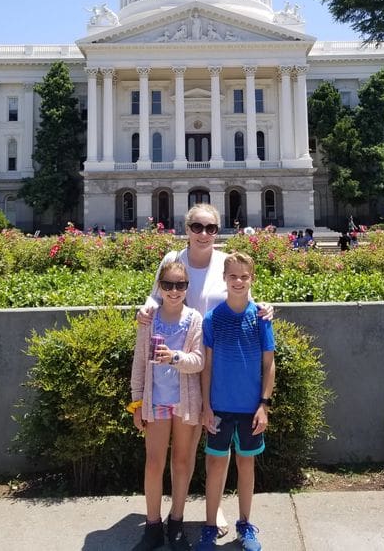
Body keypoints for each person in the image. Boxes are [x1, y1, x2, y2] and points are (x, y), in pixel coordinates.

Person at [138, 203, 274, 539]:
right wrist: (146, 307)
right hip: (177, 365)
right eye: (197, 227)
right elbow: (157, 296)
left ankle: (213, 509)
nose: (203, 234)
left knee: (211, 443)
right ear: (186, 229)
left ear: (218, 230)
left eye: (210, 228)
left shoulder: (225, 263)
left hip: (213, 363)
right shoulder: (173, 259)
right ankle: (178, 517)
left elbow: (244, 297)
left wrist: (265, 308)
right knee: (190, 446)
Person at [196, 252, 275, 551]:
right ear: (224, 279)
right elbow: (207, 366)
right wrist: (206, 406)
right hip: (219, 407)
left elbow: (269, 364)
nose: (239, 281)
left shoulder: (261, 317)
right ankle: (208, 526)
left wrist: (263, 405)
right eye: (233, 276)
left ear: (252, 279)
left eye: (244, 276)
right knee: (215, 466)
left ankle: (245, 524)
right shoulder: (212, 319)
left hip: (250, 408)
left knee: (246, 465)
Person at [130, 261, 204, 551]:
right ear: (159, 287)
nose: (174, 291)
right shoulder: (149, 319)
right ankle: (152, 525)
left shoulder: (195, 319)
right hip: (156, 401)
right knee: (153, 463)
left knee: (182, 462)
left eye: (180, 285)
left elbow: (199, 361)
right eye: (168, 285)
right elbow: (138, 363)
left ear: (187, 288)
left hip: (184, 403)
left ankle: (176, 522)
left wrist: (174, 357)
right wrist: (137, 402)